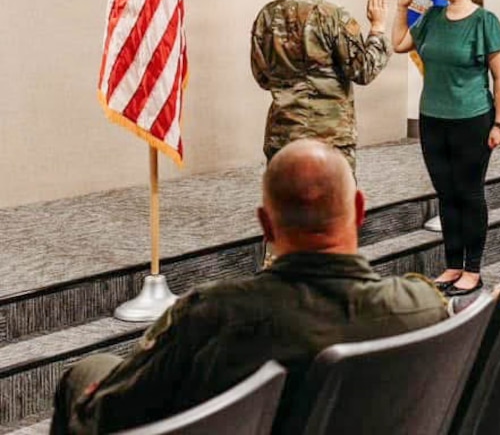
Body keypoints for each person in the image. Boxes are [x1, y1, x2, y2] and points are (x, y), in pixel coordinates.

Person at [51, 140, 448, 435]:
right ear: (360, 210)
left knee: (85, 374)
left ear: (265, 224)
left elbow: (111, 413)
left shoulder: (212, 316)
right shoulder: (422, 306)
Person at [392, 0, 500, 297]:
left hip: (472, 119)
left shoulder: (486, 21)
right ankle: (453, 264)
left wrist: (499, 123)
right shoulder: (432, 18)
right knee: (446, 194)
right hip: (433, 119)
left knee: (469, 194)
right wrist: (402, 6)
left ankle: (473, 269)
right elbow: (399, 44)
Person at [251, 0, 391, 176]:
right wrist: (377, 28)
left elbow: (262, 77)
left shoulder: (266, 16)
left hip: (284, 136)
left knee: (287, 209)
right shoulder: (333, 16)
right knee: (333, 210)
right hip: (330, 140)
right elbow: (364, 70)